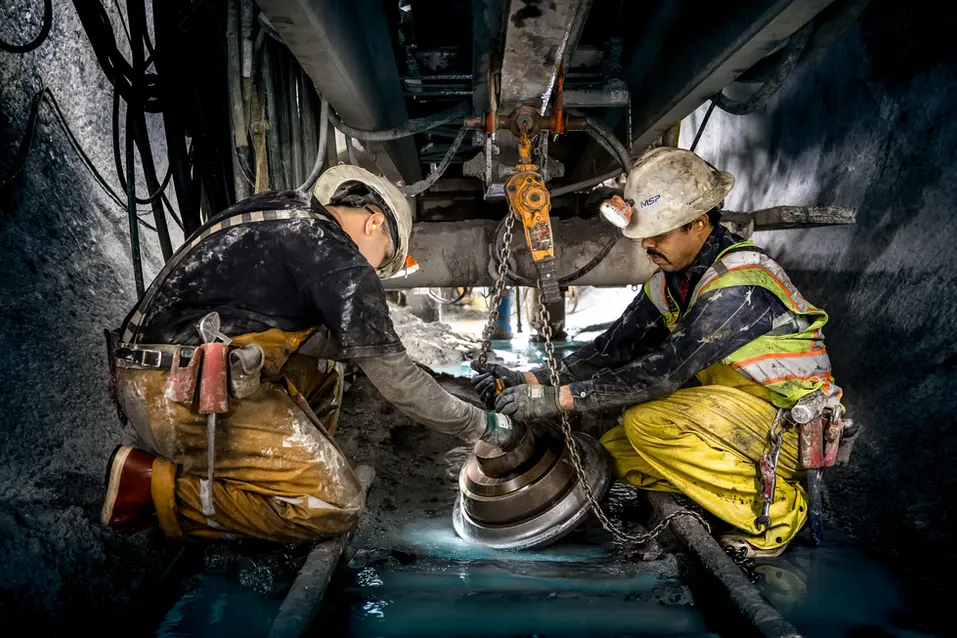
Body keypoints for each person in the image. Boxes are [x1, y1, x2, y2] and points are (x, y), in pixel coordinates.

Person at [101, 164, 518, 542]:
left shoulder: (285, 211)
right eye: (384, 261)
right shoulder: (339, 258)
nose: (374, 272)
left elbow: (320, 341)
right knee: (336, 508)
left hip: (149, 373)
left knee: (326, 367)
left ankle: (286, 467)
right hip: (176, 393)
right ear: (374, 223)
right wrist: (481, 425)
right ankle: (150, 486)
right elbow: (398, 382)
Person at [473, 147, 845, 558]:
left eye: (660, 234)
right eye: (644, 235)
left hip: (788, 428)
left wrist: (557, 399)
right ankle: (722, 499)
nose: (648, 244)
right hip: (737, 418)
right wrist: (529, 380)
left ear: (699, 222)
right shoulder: (672, 281)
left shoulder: (739, 284)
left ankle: (776, 515)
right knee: (610, 453)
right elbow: (608, 350)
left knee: (649, 423)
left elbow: (665, 373)